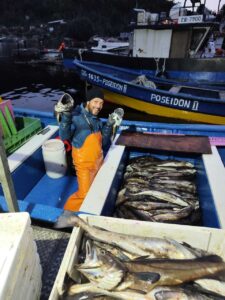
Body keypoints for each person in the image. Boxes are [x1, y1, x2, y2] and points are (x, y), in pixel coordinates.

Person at [55, 87, 122, 211]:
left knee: (96, 191)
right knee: (84, 194)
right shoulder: (77, 117)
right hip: (84, 165)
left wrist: (108, 124)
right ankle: (67, 214)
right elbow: (64, 136)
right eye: (96, 102)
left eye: (101, 103)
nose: (99, 106)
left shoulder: (97, 121)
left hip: (98, 162)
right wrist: (66, 115)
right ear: (88, 102)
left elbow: (104, 143)